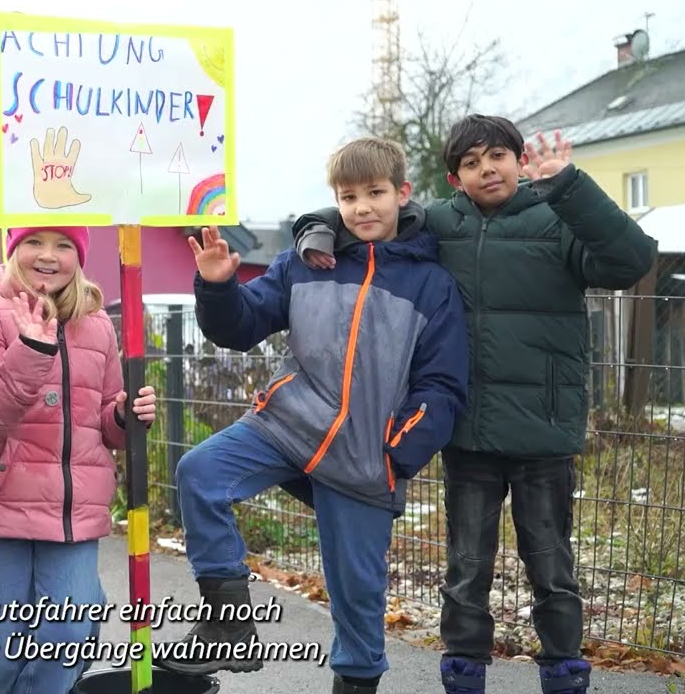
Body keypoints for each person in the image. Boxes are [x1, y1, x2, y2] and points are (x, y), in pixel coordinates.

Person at [291, 117, 658, 694]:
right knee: (466, 569)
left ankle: (564, 673)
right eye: (471, 163)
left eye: (498, 157)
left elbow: (631, 260)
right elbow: (363, 214)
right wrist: (312, 231)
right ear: (454, 177)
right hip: (468, 433)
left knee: (553, 568)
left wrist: (569, 185)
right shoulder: (439, 223)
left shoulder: (559, 217)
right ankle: (463, 675)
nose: (487, 169)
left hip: (544, 430)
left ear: (518, 161)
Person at [159, 138, 470, 694]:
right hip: (287, 425)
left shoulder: (432, 284)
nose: (362, 208)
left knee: (357, 603)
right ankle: (229, 625)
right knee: (199, 471)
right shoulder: (304, 263)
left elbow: (441, 386)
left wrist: (397, 454)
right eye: (348, 196)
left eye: (375, 193)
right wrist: (217, 285)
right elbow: (240, 327)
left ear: (402, 193)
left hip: (365, 456)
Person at [0, 225, 158, 694]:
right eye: (33, 243)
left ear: (80, 256)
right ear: (13, 249)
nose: (48, 256)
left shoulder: (97, 321)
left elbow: (103, 420)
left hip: (72, 510)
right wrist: (31, 349)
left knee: (68, 635)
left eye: (64, 245)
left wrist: (126, 417)